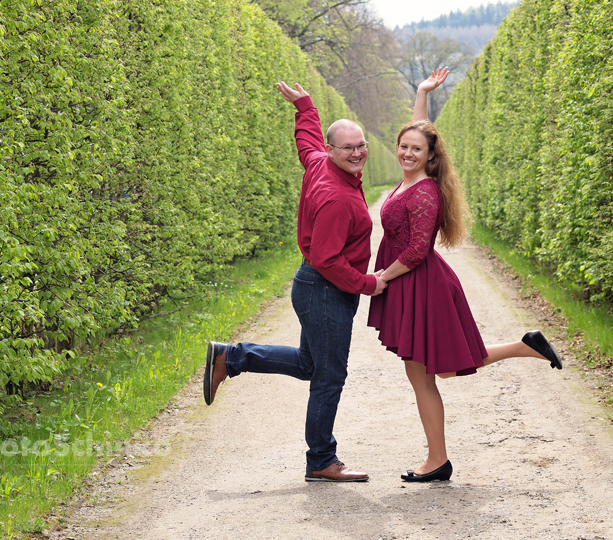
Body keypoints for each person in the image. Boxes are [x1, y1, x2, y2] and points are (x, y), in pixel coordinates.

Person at [367, 68, 563, 483]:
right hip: (413, 286)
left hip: (420, 285)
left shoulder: (423, 193)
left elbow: (418, 252)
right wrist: (421, 93)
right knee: (438, 370)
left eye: (415, 149)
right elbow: (421, 130)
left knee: (427, 372)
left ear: (430, 156)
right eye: (403, 146)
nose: (406, 152)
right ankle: (524, 346)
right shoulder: (410, 180)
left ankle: (437, 460)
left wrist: (383, 276)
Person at [203, 81, 386, 482]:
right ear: (333, 151)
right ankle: (322, 459)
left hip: (315, 287)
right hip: (324, 289)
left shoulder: (320, 161)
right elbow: (326, 258)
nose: (357, 153)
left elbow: (307, 140)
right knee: (328, 375)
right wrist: (367, 284)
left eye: (361, 145)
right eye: (348, 148)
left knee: (310, 364)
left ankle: (232, 357)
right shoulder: (338, 198)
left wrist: (304, 106)